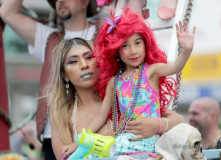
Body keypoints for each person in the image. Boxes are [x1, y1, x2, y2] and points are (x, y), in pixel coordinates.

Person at [62, 8, 195, 156]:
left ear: (146, 44)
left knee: (105, 150)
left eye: (137, 43)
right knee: (95, 153)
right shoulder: (115, 81)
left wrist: (187, 50)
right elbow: (101, 116)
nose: (133, 50)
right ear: (116, 51)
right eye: (125, 45)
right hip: (125, 138)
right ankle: (84, 147)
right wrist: (75, 143)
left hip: (148, 138)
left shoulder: (151, 71)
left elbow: (175, 67)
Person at [44, 37, 185, 160]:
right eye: (73, 62)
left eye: (89, 57)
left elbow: (178, 121)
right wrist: (113, 134)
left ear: (99, 61)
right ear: (64, 75)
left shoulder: (123, 94)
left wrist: (157, 125)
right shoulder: (61, 113)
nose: (84, 65)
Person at [0, 0, 98, 159]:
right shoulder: (48, 37)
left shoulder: (107, 32)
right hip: (54, 138)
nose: (60, 1)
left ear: (85, 2)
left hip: (97, 131)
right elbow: (6, 12)